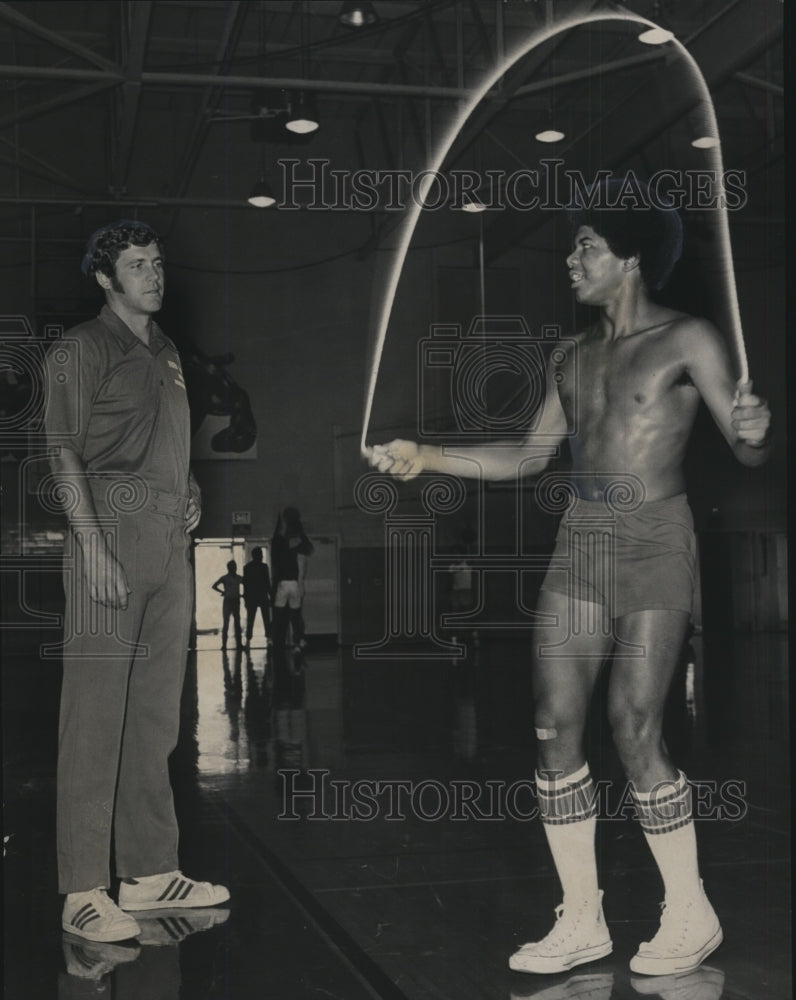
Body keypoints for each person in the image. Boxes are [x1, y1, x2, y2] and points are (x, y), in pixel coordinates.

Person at [369, 180, 771, 977]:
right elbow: (525, 455)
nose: (570, 258)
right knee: (554, 727)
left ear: (628, 258)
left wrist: (758, 433)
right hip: (582, 539)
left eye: (584, 245)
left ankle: (689, 909)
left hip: (658, 535)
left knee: (634, 725)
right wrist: (427, 455)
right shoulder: (570, 355)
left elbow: (749, 449)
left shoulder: (689, 338)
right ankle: (581, 918)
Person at [44, 220, 229, 945]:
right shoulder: (80, 350)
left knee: (155, 718)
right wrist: (91, 546)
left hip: (166, 543)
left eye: (157, 262)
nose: (154, 274)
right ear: (104, 278)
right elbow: (62, 456)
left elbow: (169, 441)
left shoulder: (171, 354)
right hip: (107, 537)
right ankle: (83, 886)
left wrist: (190, 488)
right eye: (136, 264)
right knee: (93, 719)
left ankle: (150, 872)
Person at [270, 507, 314, 648]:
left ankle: (273, 639)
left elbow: (276, 537)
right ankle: (299, 640)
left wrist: (279, 521)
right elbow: (308, 549)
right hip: (294, 583)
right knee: (296, 614)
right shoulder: (297, 543)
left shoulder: (279, 542)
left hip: (283, 583)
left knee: (278, 613)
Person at [243, 546, 272, 648]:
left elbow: (246, 585)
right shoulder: (264, 567)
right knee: (266, 619)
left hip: (251, 597)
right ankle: (269, 639)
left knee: (250, 619)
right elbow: (267, 583)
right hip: (262, 596)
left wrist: (245, 599)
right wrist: (271, 596)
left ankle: (248, 640)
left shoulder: (247, 567)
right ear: (259, 555)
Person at [212, 559, 243, 649]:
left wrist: (223, 592)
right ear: (229, 568)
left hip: (232, 600)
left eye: (234, 567)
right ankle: (227, 645)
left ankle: (233, 645)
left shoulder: (229, 578)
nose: (234, 568)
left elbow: (214, 586)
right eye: (233, 567)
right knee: (228, 623)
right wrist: (223, 592)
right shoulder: (233, 578)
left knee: (233, 623)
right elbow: (214, 586)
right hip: (230, 601)